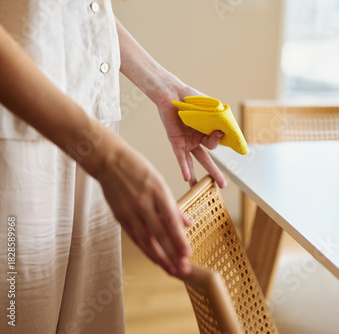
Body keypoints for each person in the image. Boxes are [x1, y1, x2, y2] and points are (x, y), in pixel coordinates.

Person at [0, 1, 226, 333]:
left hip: (90, 123)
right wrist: (109, 158)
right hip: (17, 136)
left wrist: (163, 86)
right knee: (18, 316)